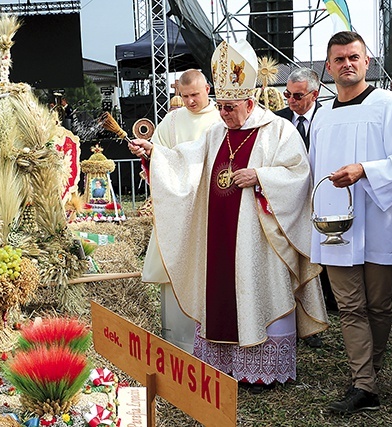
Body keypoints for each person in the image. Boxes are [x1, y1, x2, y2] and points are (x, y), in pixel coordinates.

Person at [130, 40, 328, 392]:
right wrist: (153, 153)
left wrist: (262, 177)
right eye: (220, 107)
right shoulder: (215, 133)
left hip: (260, 239)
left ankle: (263, 370)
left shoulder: (277, 130)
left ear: (250, 103)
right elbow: (184, 163)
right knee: (222, 293)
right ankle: (225, 366)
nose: (223, 114)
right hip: (218, 236)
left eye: (230, 107)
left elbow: (300, 174)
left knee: (256, 289)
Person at [309, 31, 392, 414]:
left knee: (377, 304)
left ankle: (367, 378)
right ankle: (364, 384)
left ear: (367, 62)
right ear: (328, 66)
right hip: (336, 225)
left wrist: (365, 170)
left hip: (380, 216)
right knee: (349, 305)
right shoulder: (321, 116)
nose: (347, 64)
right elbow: (311, 172)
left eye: (353, 57)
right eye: (339, 58)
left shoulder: (390, 105)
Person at [132, 68, 221, 354]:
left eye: (195, 94)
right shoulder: (171, 121)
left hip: (211, 206)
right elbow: (160, 158)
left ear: (207, 88)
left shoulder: (222, 118)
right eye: (184, 96)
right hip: (177, 211)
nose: (190, 101)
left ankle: (213, 342)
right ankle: (177, 341)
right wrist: (148, 153)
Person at [276, 68, 333, 348]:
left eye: (297, 95)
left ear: (315, 94)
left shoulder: (330, 118)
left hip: (323, 198)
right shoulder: (277, 122)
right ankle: (292, 318)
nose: (290, 100)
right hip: (288, 204)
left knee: (321, 260)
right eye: (287, 94)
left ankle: (317, 318)